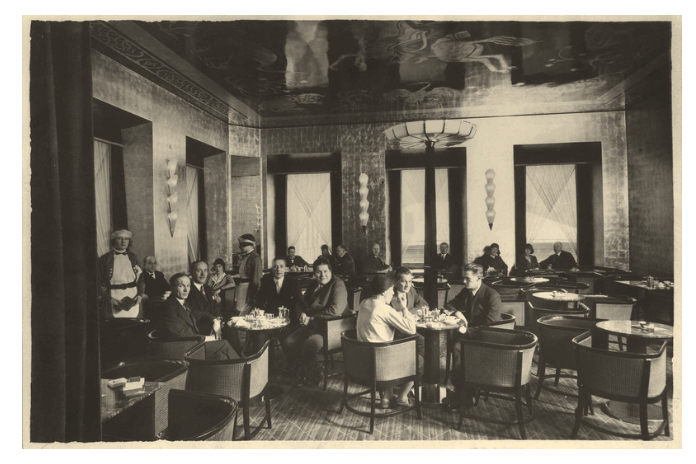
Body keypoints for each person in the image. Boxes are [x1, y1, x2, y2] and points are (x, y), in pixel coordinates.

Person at [357, 274, 424, 409]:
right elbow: (411, 329)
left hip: (362, 362)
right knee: (419, 360)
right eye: (391, 290)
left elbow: (380, 318)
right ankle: (402, 397)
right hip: (380, 365)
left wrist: (396, 316)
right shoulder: (384, 308)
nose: (393, 293)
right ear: (384, 292)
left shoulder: (364, 303)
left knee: (387, 349)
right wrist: (404, 308)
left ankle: (386, 398)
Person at [442, 263, 503, 410]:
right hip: (472, 335)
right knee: (456, 345)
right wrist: (457, 312)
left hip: (487, 338)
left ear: (479, 278)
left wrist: (464, 331)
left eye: (467, 279)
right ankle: (462, 391)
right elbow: (449, 304)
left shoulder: (492, 295)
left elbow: (490, 327)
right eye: (464, 278)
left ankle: (465, 397)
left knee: (458, 347)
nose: (464, 281)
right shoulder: (467, 291)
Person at [283, 257, 349, 386]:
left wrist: (311, 318)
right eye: (318, 272)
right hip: (312, 326)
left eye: (325, 271)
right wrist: (302, 314)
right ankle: (302, 368)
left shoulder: (338, 284)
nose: (322, 275)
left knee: (310, 345)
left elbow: (334, 311)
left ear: (331, 272)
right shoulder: (314, 284)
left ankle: (311, 375)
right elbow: (301, 302)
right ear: (314, 273)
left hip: (331, 328)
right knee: (288, 343)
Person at [158, 273, 238, 360]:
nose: (186, 290)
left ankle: (236, 366)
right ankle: (242, 365)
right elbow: (180, 334)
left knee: (221, 355)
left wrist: (215, 320)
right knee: (223, 344)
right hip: (183, 349)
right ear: (172, 287)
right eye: (181, 286)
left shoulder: (182, 303)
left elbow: (199, 314)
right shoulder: (168, 307)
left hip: (190, 344)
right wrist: (207, 338)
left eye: (188, 286)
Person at [254, 257, 305, 343]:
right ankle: (267, 352)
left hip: (288, 322)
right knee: (259, 337)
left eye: (281, 266)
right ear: (272, 269)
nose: (278, 269)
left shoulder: (293, 283)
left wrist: (302, 313)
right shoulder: (266, 281)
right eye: (275, 266)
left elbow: (299, 302)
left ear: (286, 269)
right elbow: (259, 301)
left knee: (289, 343)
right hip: (270, 322)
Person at [97, 229, 145, 319]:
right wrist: (109, 299)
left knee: (134, 324)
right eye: (120, 238)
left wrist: (140, 295)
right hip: (113, 297)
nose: (123, 242)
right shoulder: (105, 259)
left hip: (133, 297)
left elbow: (141, 280)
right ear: (114, 240)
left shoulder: (133, 258)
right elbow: (97, 283)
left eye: (126, 239)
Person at [236, 234, 264, 316]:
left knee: (245, 313)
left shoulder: (255, 258)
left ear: (250, 245)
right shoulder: (246, 256)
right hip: (242, 288)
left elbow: (256, 281)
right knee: (240, 311)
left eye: (242, 245)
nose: (240, 247)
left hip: (249, 289)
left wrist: (253, 296)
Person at [142, 255, 170, 321]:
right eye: (150, 263)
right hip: (148, 302)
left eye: (155, 263)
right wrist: (141, 294)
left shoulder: (159, 274)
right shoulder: (141, 275)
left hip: (160, 301)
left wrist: (167, 294)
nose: (153, 265)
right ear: (144, 264)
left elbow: (167, 288)